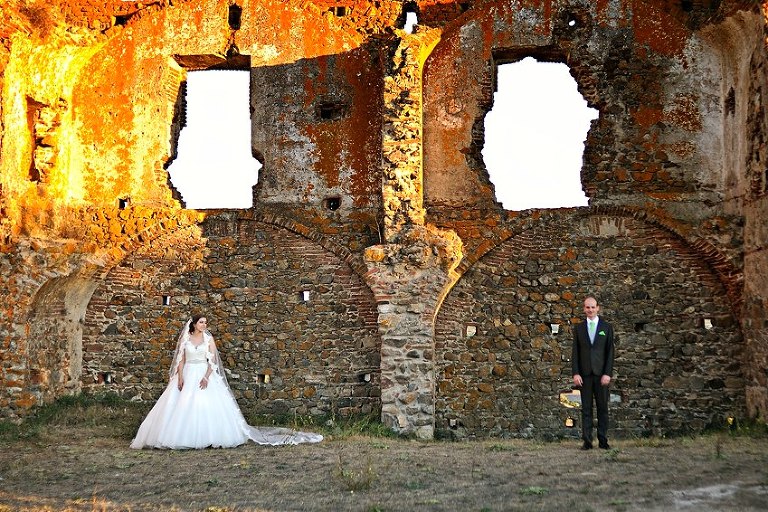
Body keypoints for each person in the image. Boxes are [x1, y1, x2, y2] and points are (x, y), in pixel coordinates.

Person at [131, 314, 323, 449]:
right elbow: (181, 360)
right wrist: (180, 377)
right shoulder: (186, 339)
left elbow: (212, 360)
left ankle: (210, 437)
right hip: (188, 372)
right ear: (194, 324)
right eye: (201, 322)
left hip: (203, 374)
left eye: (206, 322)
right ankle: (174, 438)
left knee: (207, 406)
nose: (204, 325)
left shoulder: (208, 339)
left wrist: (206, 377)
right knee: (179, 404)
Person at [572, 296, 615, 450]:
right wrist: (576, 373)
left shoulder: (606, 327)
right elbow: (575, 353)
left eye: (593, 307)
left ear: (598, 308)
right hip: (584, 375)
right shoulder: (579, 328)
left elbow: (610, 352)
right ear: (584, 309)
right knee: (586, 409)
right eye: (587, 307)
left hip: (601, 375)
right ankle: (587, 441)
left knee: (603, 408)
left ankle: (603, 440)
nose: (590, 310)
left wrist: (607, 373)